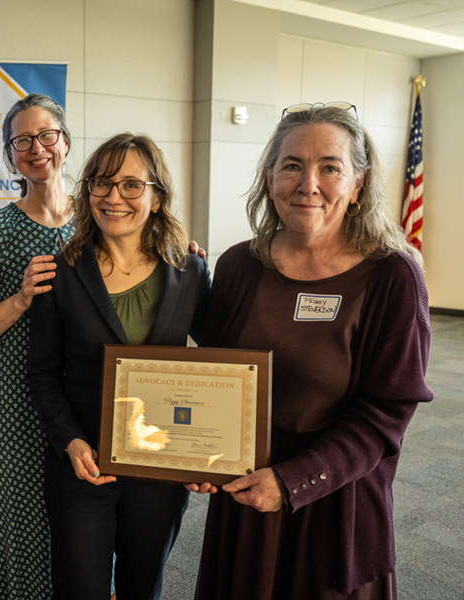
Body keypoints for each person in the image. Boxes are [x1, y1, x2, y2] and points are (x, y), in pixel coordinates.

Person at [189, 103, 433, 600]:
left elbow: (386, 413)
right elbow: (212, 375)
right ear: (270, 175)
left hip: (336, 505)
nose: (309, 184)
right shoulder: (239, 265)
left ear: (358, 184)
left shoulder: (392, 277)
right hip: (246, 499)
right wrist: (196, 454)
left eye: (330, 167)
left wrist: (293, 482)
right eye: (293, 165)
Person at [27, 133, 210, 600]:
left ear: (157, 195)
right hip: (84, 465)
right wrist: (69, 441)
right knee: (79, 588)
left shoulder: (189, 271)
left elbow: (217, 368)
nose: (113, 197)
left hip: (160, 468)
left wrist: (211, 452)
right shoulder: (59, 271)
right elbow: (43, 375)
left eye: (131, 185)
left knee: (141, 587)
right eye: (101, 183)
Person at [0, 93, 74, 600]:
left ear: (65, 142)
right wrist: (22, 297)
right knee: (16, 526)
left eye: (46, 135)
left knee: (81, 526)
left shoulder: (98, 221)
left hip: (85, 402)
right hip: (16, 409)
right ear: (10, 155)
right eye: (21, 140)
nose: (36, 148)